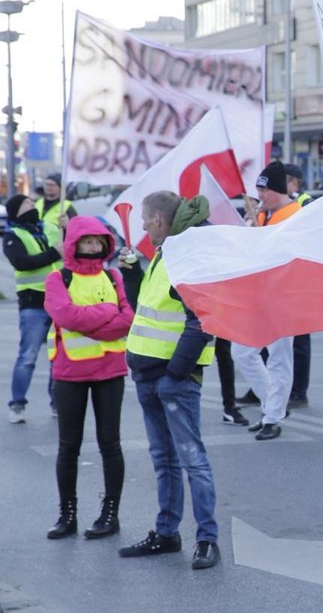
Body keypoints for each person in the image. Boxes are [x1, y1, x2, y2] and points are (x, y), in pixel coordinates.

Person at [118, 191, 220, 570]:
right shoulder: (168, 250)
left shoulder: (186, 254)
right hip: (149, 374)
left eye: (146, 219)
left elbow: (202, 320)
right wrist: (133, 276)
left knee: (192, 460)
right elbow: (149, 310)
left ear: (159, 220)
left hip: (170, 378)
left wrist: (176, 372)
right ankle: (166, 533)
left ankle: (207, 540)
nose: (142, 226)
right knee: (164, 460)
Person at [43, 216, 134, 540]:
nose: (95, 247)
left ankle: (111, 514)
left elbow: (127, 319)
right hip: (70, 373)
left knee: (110, 443)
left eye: (99, 241)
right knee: (69, 446)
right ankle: (67, 514)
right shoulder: (59, 278)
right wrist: (106, 313)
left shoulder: (113, 275)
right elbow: (64, 315)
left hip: (110, 370)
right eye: (88, 241)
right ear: (74, 244)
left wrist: (88, 321)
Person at [232, 162, 301, 440]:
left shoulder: (295, 215)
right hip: (259, 295)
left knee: (279, 359)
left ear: (278, 190)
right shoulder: (264, 214)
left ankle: (272, 416)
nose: (260, 195)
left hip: (284, 296)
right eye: (258, 189)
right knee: (242, 352)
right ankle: (272, 407)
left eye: (264, 190)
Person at [4, 194, 62, 423]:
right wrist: (54, 254)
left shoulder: (49, 227)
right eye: (27, 204)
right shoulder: (12, 235)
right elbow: (22, 262)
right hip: (33, 303)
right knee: (27, 357)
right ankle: (17, 404)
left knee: (56, 356)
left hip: (58, 301)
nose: (32, 206)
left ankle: (56, 402)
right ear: (16, 211)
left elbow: (68, 247)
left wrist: (68, 226)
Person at [282, 163, 313, 407]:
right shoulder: (278, 205)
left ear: (294, 183)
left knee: (300, 343)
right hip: (282, 280)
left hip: (300, 279)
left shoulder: (305, 204)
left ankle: (299, 390)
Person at [35, 173, 76, 247]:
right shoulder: (37, 203)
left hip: (57, 248)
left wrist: (67, 226)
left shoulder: (66, 206)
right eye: (46, 184)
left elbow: (75, 230)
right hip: (38, 245)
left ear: (60, 188)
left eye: (52, 185)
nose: (48, 187)